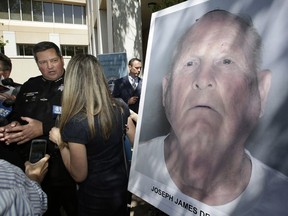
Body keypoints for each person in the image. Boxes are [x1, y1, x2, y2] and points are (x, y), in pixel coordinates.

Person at [133, 10, 288, 215]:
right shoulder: (141, 164)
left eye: (226, 61)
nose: (203, 78)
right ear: (166, 91)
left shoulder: (280, 200)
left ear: (260, 92)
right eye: (190, 63)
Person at [0, 41, 77, 216]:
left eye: (53, 60)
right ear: (37, 64)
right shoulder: (30, 85)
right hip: (33, 166)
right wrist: (13, 126)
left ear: (62, 60)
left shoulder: (77, 83)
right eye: (43, 62)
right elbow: (17, 115)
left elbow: (85, 120)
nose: (49, 66)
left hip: (66, 166)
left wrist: (44, 127)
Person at [49, 54, 131, 216]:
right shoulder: (120, 106)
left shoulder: (76, 123)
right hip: (120, 191)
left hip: (95, 200)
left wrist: (60, 142)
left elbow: (79, 175)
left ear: (72, 80)